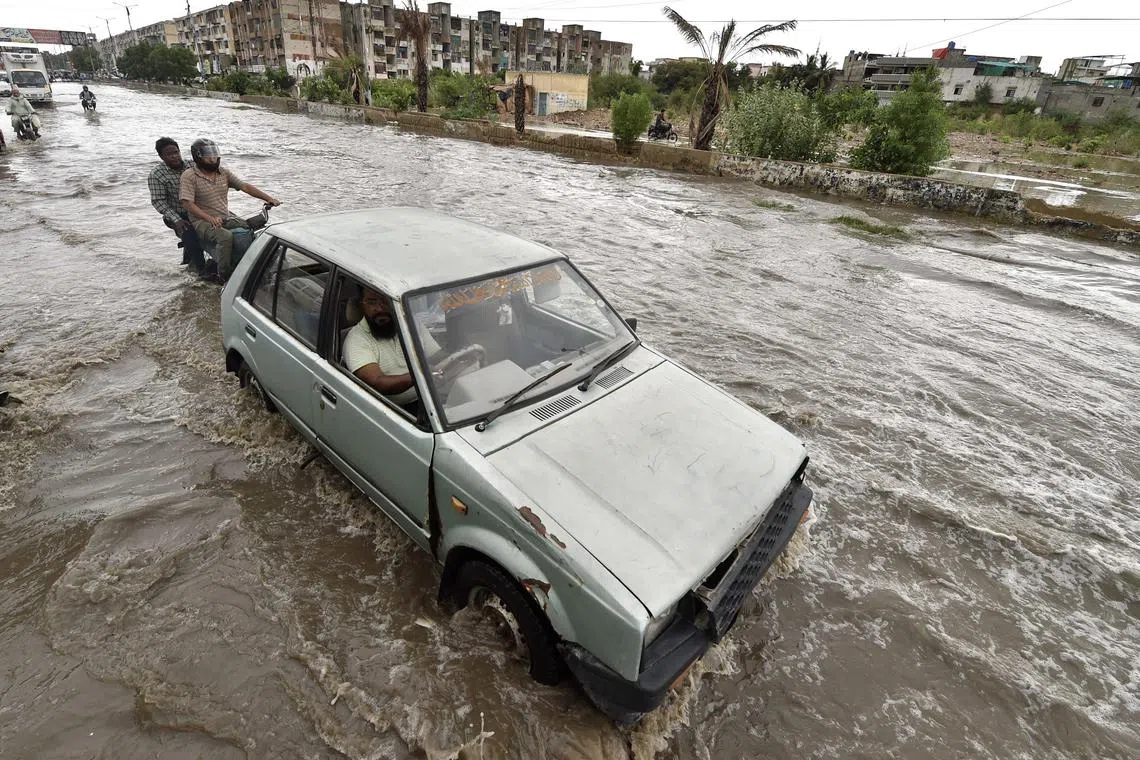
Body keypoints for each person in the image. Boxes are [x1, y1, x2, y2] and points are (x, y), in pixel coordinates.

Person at [179, 138, 280, 281]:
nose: (212, 159)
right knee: (225, 237)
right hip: (201, 221)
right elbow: (187, 203)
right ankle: (224, 274)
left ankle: (257, 262)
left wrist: (268, 198)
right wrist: (210, 218)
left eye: (214, 154)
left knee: (251, 227)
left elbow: (244, 186)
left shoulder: (223, 172)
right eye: (208, 155)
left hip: (224, 216)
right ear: (197, 156)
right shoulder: (189, 176)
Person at [344, 288, 442, 410]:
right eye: (372, 302)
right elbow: (377, 382)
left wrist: (460, 355)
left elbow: (436, 356)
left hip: (431, 398)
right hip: (394, 411)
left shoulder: (410, 324)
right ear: (362, 306)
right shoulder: (356, 339)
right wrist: (423, 375)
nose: (380, 308)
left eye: (385, 301)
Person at [149, 137, 207, 276]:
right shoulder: (157, 175)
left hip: (198, 210)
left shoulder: (193, 166)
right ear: (161, 156)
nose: (174, 156)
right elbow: (158, 201)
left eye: (176, 152)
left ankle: (188, 260)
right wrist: (176, 219)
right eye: (169, 154)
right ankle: (202, 272)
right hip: (176, 214)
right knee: (191, 237)